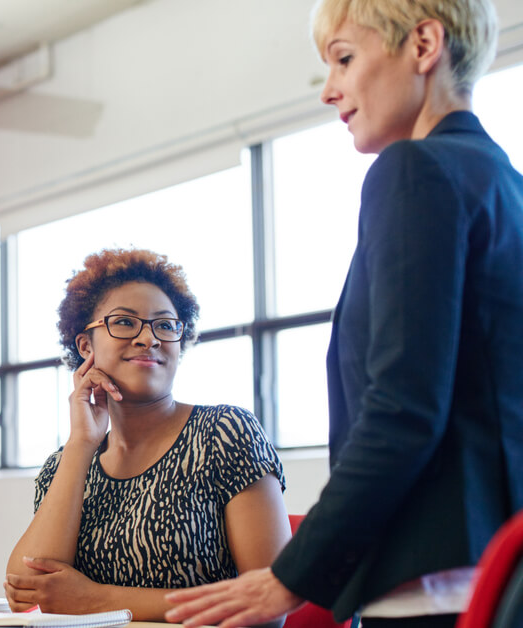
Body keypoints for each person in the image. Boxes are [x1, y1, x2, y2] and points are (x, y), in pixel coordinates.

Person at [165, 1, 523, 627]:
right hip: (499, 573)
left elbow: (403, 410)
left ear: (423, 44)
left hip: (436, 584)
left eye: (344, 59)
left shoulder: (414, 171)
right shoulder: (504, 184)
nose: (330, 90)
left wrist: (289, 576)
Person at [4, 248, 290, 622]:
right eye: (124, 322)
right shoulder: (64, 464)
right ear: (86, 347)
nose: (148, 338)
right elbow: (28, 590)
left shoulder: (225, 433)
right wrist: (80, 445)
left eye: (165, 325)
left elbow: (267, 607)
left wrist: (96, 600)